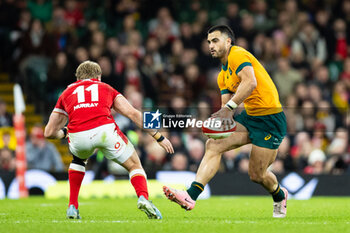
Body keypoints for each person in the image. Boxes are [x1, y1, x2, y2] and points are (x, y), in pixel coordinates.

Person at [163, 25, 288, 218]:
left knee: (257, 175)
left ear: (228, 41)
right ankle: (191, 196)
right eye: (209, 42)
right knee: (213, 144)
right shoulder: (223, 75)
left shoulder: (237, 55)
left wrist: (228, 109)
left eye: (215, 40)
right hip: (250, 116)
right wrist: (216, 125)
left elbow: (250, 82)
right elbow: (225, 111)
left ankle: (280, 195)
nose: (211, 45)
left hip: (270, 119)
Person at [44, 61, 174, 219]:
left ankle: (72, 206)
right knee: (134, 165)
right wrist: (158, 136)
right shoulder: (105, 87)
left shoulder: (66, 93)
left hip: (78, 135)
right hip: (105, 131)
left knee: (78, 159)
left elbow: (49, 132)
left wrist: (66, 132)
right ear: (98, 76)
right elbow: (133, 114)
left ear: (77, 78)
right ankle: (143, 198)